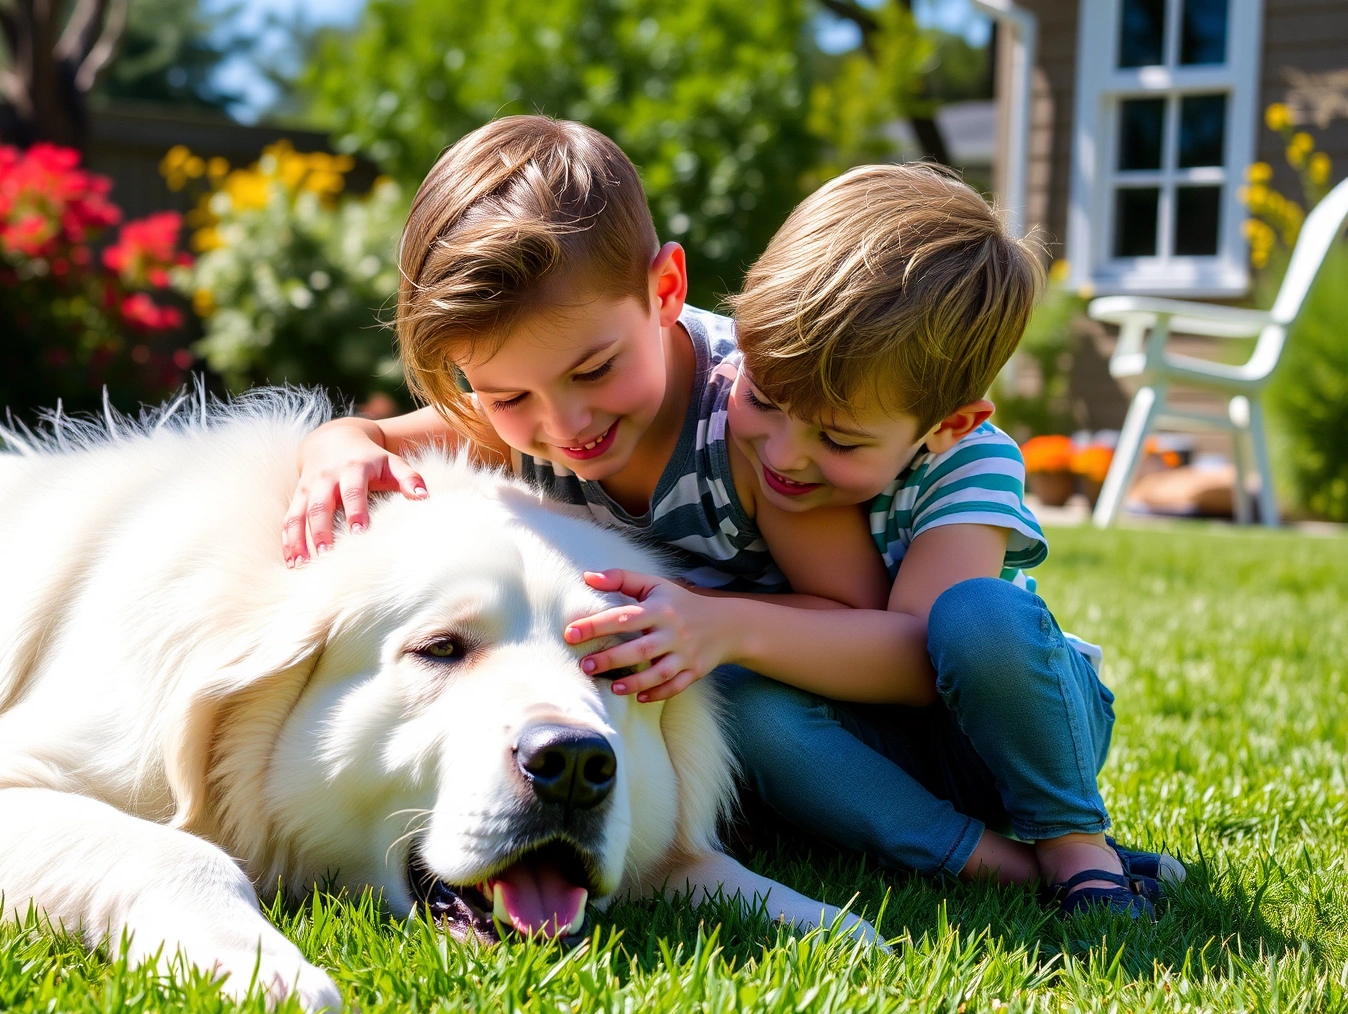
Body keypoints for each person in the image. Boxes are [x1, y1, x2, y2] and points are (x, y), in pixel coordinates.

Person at [283, 114, 1177, 915]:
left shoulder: (754, 439)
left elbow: (893, 639)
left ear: (668, 290)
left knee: (934, 635)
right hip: (823, 728)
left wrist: (718, 624)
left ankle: (1072, 847)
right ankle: (992, 865)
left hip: (982, 711)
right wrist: (339, 441)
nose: (563, 424)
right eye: (508, 395)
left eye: (594, 372)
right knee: (750, 710)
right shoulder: (707, 408)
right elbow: (391, 436)